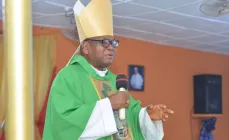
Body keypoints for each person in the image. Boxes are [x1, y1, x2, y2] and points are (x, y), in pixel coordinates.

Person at [42, 0, 174, 140]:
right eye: (104, 42)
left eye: (113, 42)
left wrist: (147, 116)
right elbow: (63, 124)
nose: (111, 47)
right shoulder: (68, 77)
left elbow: (132, 117)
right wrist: (109, 104)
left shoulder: (115, 81)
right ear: (86, 47)